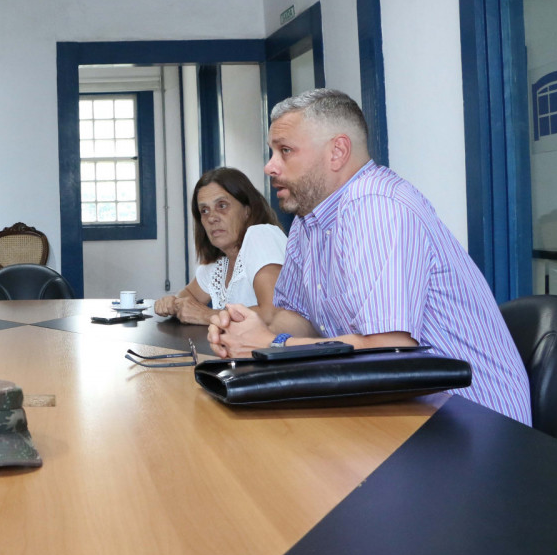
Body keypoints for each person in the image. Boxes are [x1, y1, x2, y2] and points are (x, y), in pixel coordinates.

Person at [208, 89, 532, 424]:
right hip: (405, 409)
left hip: (476, 423)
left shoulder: (377, 206)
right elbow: (298, 318)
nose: (270, 166)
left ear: (338, 152)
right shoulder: (309, 220)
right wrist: (247, 329)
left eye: (285, 151)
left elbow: (391, 349)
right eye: (273, 151)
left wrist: (273, 344)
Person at [154, 168, 286, 325]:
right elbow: (188, 296)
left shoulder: (261, 235)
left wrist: (208, 315)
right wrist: (171, 304)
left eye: (222, 206)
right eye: (204, 210)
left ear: (247, 210)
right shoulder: (217, 265)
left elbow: (274, 313)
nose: (212, 218)